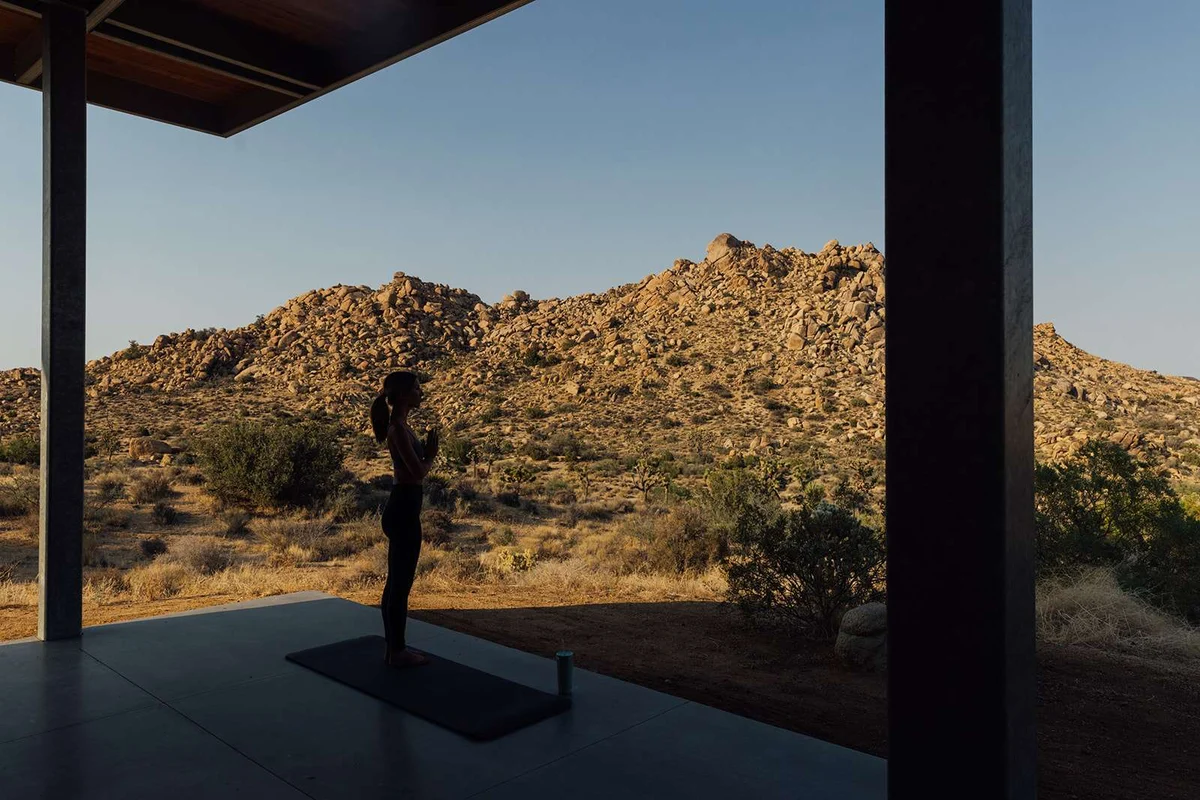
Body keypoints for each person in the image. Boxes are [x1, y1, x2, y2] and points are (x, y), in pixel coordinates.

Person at [370, 370, 439, 667]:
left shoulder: (402, 427)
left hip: (404, 508)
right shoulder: (398, 429)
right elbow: (417, 472)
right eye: (416, 388)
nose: (420, 393)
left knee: (396, 583)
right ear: (401, 396)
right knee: (400, 585)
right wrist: (432, 454)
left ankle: (393, 648)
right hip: (403, 510)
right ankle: (397, 651)